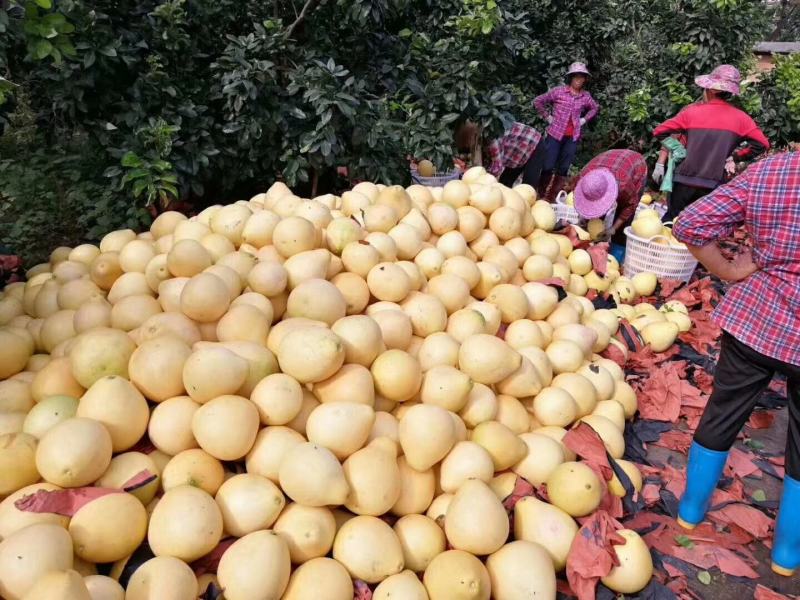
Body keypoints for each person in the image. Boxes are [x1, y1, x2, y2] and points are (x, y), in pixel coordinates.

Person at [671, 152, 800, 577]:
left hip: (758, 318)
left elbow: (689, 224)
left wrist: (727, 268)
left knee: (724, 410)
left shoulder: (774, 170)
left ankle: (690, 511)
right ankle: (786, 555)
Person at [653, 64, 769, 220]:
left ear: (712, 90)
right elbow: (762, 144)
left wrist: (677, 147)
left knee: (672, 222)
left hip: (684, 180)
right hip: (714, 185)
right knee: (702, 226)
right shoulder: (741, 119)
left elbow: (659, 131)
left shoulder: (691, 113)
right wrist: (736, 156)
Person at [534, 62, 600, 201]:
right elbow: (538, 101)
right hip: (555, 134)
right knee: (548, 165)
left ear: (584, 79)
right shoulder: (559, 92)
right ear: (571, 77)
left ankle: (551, 198)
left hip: (572, 137)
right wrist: (548, 117)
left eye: (581, 77)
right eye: (576, 76)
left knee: (563, 168)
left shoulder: (585, 96)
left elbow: (594, 108)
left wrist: (584, 120)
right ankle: (539, 195)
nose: (578, 79)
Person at [573, 149, 649, 244]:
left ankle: (618, 244)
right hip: (610, 160)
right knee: (595, 219)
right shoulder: (582, 179)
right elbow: (580, 200)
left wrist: (613, 229)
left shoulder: (623, 185)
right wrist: (582, 218)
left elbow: (630, 205)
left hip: (636, 165)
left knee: (622, 224)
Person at [454, 120, 544, 187]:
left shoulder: (491, 138)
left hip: (534, 143)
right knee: (504, 183)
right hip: (517, 149)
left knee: (528, 187)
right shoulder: (477, 137)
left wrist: (481, 182)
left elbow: (497, 168)